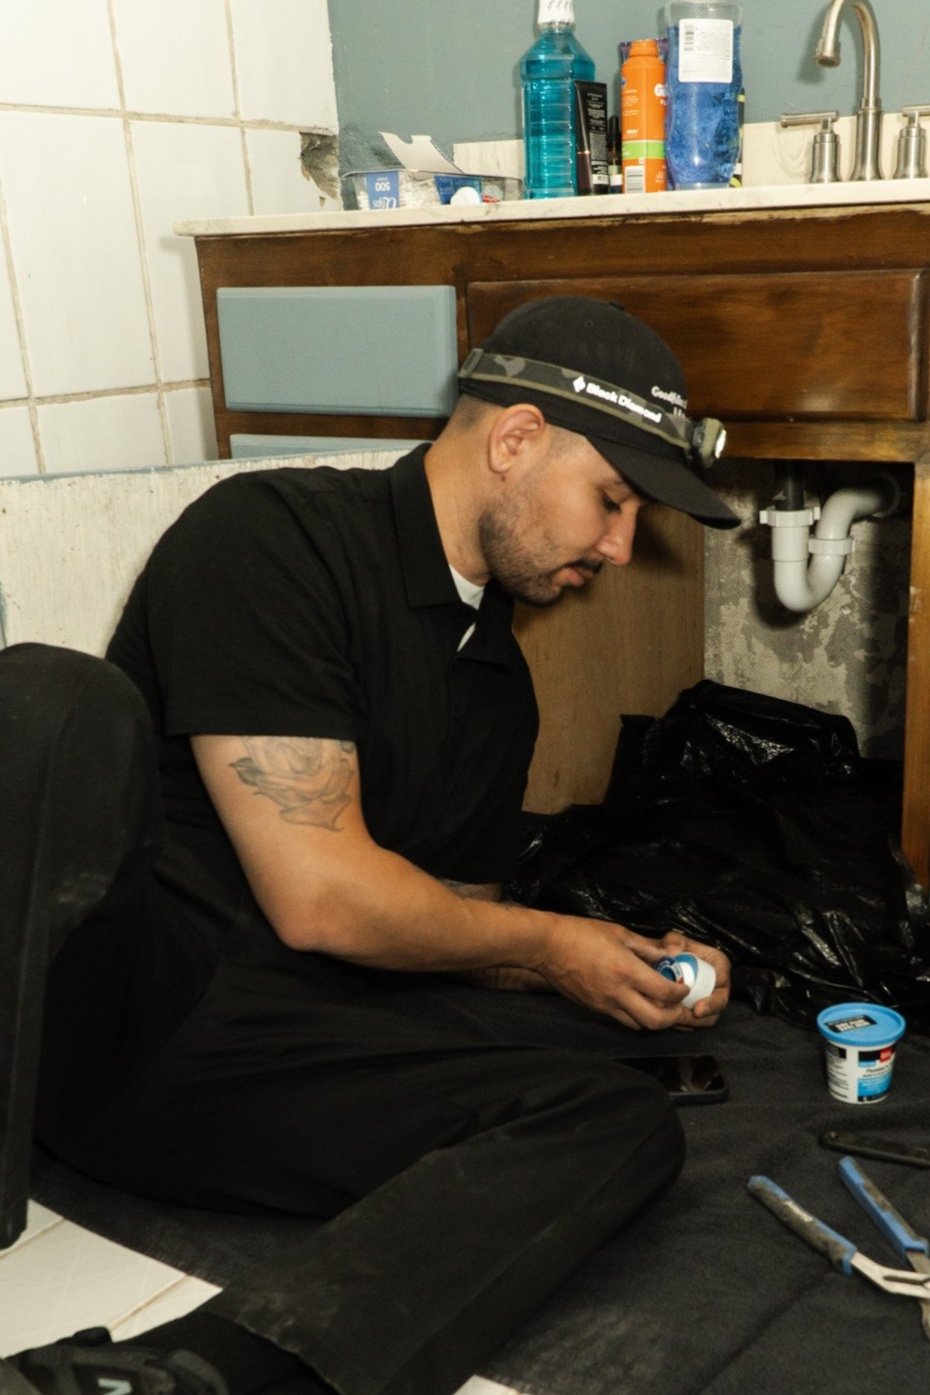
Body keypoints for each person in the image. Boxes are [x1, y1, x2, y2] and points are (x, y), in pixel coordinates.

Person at [4, 296, 737, 1395]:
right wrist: (548, 946)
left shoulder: (498, 687)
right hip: (126, 1012)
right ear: (517, 440)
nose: (621, 548)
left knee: (620, 1121)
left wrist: (605, 965)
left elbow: (449, 929)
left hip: (268, 1060)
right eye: (613, 501)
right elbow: (324, 901)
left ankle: (196, 1376)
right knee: (51, 699)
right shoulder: (271, 537)